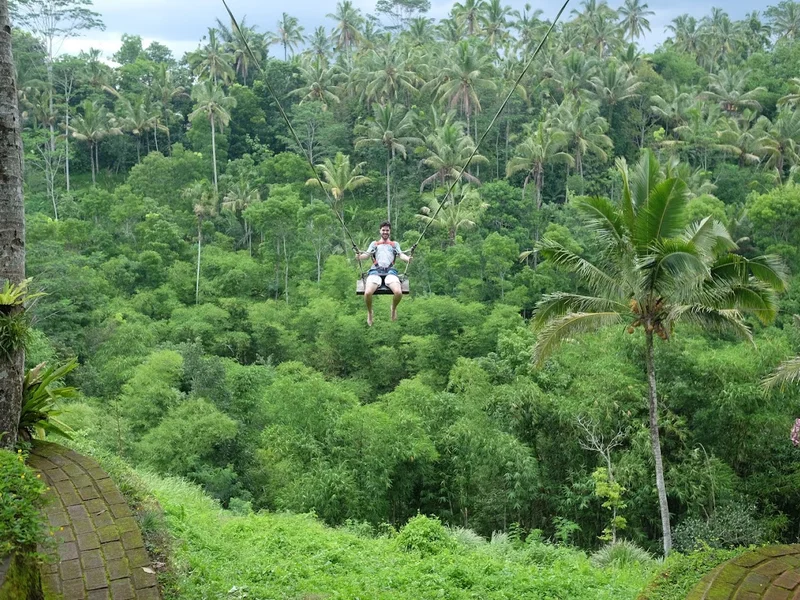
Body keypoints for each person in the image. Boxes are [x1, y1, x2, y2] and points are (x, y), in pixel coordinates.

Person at [356, 221, 412, 326]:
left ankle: (393, 308)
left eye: (387, 230)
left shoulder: (394, 245)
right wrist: (359, 256)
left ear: (389, 231)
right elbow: (366, 255)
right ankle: (370, 312)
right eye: (383, 230)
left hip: (390, 272)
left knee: (398, 292)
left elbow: (401, 255)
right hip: (375, 272)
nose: (385, 232)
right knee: (367, 293)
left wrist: (408, 259)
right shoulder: (374, 244)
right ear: (380, 231)